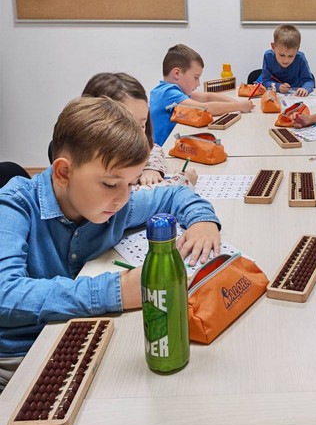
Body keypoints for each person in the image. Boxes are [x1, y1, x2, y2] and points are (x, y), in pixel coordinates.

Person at [0, 97, 221, 392]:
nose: (123, 197)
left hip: (77, 334)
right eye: (110, 184)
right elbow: (5, 294)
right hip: (19, 358)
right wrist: (116, 291)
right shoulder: (14, 206)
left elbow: (173, 194)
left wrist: (202, 221)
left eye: (130, 184)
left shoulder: (113, 204)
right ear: (63, 173)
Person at [81, 72, 197, 189]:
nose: (139, 135)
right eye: (128, 126)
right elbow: (140, 196)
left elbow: (154, 148)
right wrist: (183, 181)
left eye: (142, 125)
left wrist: (151, 167)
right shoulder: (96, 167)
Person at [150, 44, 254, 146]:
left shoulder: (170, 91)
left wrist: (236, 103)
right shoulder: (167, 93)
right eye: (196, 77)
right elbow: (204, 109)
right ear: (177, 73)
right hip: (162, 151)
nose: (198, 83)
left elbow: (207, 97)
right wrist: (239, 106)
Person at [260, 24, 315, 97]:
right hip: (275, 97)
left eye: (291, 56)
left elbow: (309, 81)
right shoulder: (268, 57)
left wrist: (305, 88)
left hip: (297, 96)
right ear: (273, 47)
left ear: (297, 50)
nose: (286, 60)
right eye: (282, 55)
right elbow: (265, 81)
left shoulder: (300, 58)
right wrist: (278, 86)